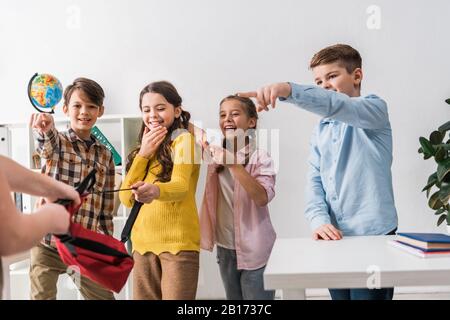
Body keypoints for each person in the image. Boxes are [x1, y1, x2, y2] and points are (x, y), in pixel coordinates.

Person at [238, 44, 398, 300]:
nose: (324, 85)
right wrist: (319, 220)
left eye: (332, 76)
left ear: (357, 76)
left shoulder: (374, 109)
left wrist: (288, 90)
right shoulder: (321, 130)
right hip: (334, 239)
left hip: (373, 237)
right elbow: (314, 181)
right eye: (318, 81)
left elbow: (336, 105)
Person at [29, 77, 116, 300]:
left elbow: (105, 208)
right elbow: (46, 145)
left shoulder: (105, 155)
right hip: (47, 243)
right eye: (77, 105)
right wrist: (45, 129)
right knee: (41, 296)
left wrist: (107, 242)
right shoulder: (58, 142)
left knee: (103, 297)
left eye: (91, 106)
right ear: (66, 109)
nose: (84, 112)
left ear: (101, 111)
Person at [119, 81, 200, 300]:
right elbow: (126, 198)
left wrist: (155, 190)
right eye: (146, 110)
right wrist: (143, 154)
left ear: (177, 110)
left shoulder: (185, 141)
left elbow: (181, 187)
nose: (152, 115)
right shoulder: (142, 148)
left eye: (160, 108)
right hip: (142, 246)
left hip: (178, 246)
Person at [199, 95, 277, 300]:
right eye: (222, 115)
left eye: (235, 114)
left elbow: (262, 198)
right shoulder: (214, 153)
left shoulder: (261, 157)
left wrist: (233, 164)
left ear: (251, 122)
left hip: (256, 249)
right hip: (225, 248)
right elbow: (188, 126)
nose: (227, 119)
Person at [0, 155, 78, 299]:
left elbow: (2, 167)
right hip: (47, 247)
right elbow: (11, 236)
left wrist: (52, 188)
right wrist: (51, 217)